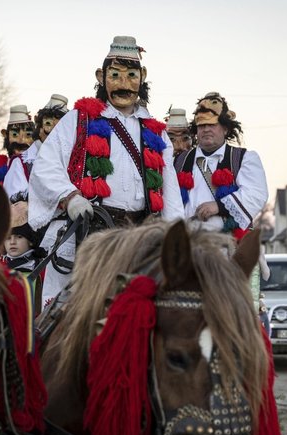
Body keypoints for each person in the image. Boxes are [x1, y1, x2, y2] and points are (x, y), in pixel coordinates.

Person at [28, 35, 184, 306]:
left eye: (131, 75)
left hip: (142, 238)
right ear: (101, 77)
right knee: (66, 314)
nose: (124, 84)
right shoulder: (78, 120)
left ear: (142, 76)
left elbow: (170, 194)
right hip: (89, 233)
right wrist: (70, 197)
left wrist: (176, 237)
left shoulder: (156, 133)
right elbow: (45, 166)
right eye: (115, 75)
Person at [175, 92, 269, 239]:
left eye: (212, 124)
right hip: (187, 243)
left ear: (225, 128)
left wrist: (219, 206)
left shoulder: (244, 159)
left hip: (227, 243)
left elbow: (256, 195)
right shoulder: (180, 161)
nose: (206, 129)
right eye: (202, 125)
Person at [3, 94, 69, 200]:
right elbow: (15, 205)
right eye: (49, 124)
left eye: (61, 127)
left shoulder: (72, 162)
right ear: (39, 127)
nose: (54, 132)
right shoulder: (21, 163)